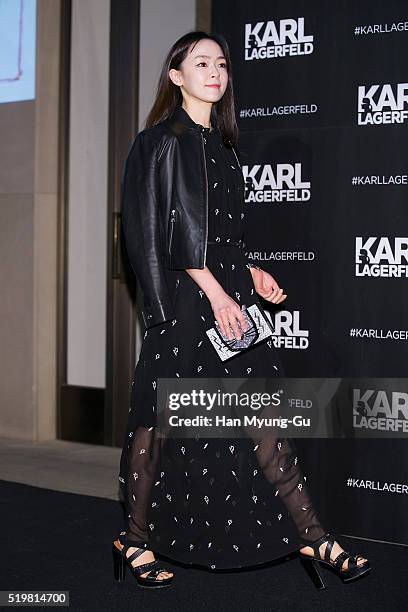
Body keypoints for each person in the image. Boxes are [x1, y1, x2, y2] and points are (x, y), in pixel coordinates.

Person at [112, 30, 371, 590]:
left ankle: (310, 532)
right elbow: (156, 234)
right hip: (187, 305)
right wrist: (217, 292)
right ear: (175, 76)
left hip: (229, 298)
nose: (214, 70)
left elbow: (220, 235)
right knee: (158, 425)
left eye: (221, 63)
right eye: (199, 62)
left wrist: (250, 272)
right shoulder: (159, 142)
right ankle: (133, 539)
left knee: (261, 418)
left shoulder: (225, 148)